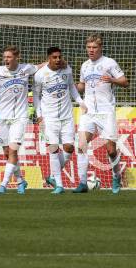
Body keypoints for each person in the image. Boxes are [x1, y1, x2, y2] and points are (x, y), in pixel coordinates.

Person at [0, 45, 45, 194]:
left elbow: (40, 66)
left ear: (17, 58)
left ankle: (3, 185)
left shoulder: (26, 69)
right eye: (4, 57)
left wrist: (53, 61)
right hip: (3, 117)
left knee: (13, 150)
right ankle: (21, 181)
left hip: (20, 117)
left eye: (9, 57)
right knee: (7, 152)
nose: (6, 59)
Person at [73, 34, 129, 194]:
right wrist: (72, 85)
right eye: (89, 47)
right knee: (82, 145)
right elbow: (82, 86)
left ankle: (116, 175)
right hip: (88, 111)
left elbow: (125, 82)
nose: (91, 50)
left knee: (111, 150)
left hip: (106, 111)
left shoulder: (109, 63)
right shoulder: (84, 65)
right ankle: (82, 183)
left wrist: (112, 80)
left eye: (94, 47)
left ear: (100, 48)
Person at [33, 46, 87, 194]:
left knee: (69, 148)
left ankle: (52, 176)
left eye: (59, 57)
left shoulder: (67, 69)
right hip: (49, 118)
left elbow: (72, 88)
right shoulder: (40, 75)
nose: (58, 60)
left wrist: (80, 102)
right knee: (53, 149)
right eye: (54, 57)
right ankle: (59, 185)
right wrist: (39, 115)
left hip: (67, 116)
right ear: (48, 58)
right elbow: (36, 96)